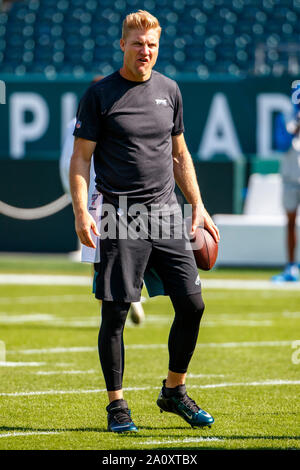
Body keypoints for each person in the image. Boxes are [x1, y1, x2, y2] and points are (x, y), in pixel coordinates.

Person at [69, 10, 220, 433]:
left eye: (152, 44)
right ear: (123, 45)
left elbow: (180, 154)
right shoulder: (100, 94)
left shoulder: (169, 90)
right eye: (138, 43)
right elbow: (80, 158)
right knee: (115, 314)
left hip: (167, 213)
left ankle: (174, 392)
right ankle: (117, 406)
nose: (145, 51)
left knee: (193, 305)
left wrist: (198, 206)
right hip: (119, 214)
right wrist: (82, 211)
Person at [60, 79, 145, 324]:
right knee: (104, 255)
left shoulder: (119, 119)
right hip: (105, 195)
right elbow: (72, 162)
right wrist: (80, 202)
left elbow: (67, 162)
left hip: (112, 195)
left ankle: (124, 298)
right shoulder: (81, 123)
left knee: (111, 254)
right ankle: (123, 299)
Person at [272, 99, 300, 282]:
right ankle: (291, 265)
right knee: (290, 222)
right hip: (291, 178)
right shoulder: (285, 118)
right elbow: (281, 144)